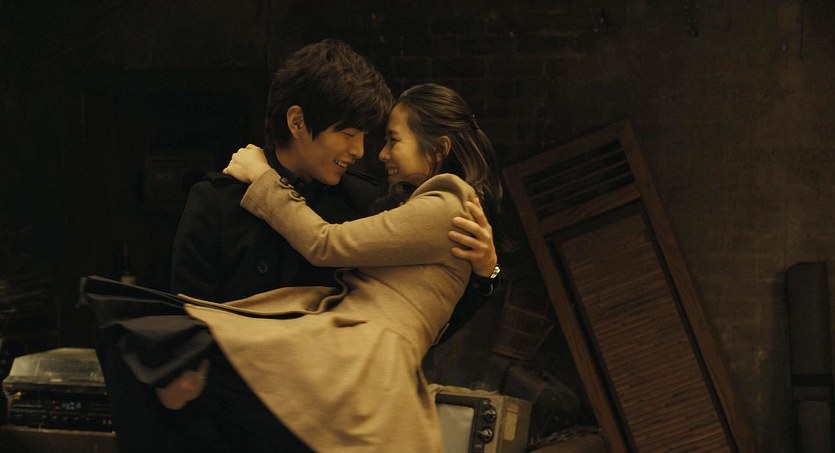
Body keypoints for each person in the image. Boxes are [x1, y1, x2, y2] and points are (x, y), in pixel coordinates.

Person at [95, 40, 500, 453]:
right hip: (235, 431)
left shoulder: (366, 202)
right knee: (140, 336)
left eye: (368, 136)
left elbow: (419, 314)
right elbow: (192, 329)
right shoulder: (217, 201)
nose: (362, 152)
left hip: (325, 425)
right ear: (297, 122)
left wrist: (485, 274)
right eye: (348, 134)